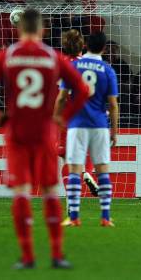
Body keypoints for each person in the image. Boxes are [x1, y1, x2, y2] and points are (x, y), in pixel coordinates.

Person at [0, 9, 89, 269]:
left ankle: (27, 257)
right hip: (45, 130)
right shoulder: (52, 56)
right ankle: (57, 255)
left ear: (19, 28)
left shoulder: (8, 55)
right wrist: (63, 117)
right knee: (50, 192)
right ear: (43, 30)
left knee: (22, 193)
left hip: (18, 131)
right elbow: (83, 89)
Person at [55, 31, 119, 228]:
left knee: (71, 167)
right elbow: (113, 104)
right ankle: (105, 217)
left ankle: (73, 216)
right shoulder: (107, 69)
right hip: (100, 123)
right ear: (104, 48)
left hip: (75, 121)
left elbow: (61, 96)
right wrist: (114, 132)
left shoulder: (70, 66)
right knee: (103, 170)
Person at [56, 29, 99, 220]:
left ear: (64, 47)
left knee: (67, 160)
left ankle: (71, 201)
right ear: (83, 46)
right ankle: (87, 174)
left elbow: (58, 96)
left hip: (67, 117)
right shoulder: (90, 65)